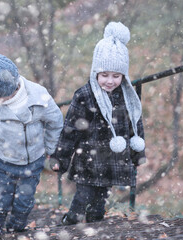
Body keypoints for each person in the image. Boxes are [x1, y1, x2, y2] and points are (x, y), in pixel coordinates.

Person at [50, 22, 146, 225]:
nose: (110, 81)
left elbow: (135, 127)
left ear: (123, 76)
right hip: (88, 159)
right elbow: (70, 130)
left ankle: (95, 227)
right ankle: (70, 224)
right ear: (95, 72)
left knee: (100, 200)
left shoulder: (127, 97)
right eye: (104, 75)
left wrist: (138, 153)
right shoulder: (85, 95)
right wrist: (61, 157)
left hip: (111, 160)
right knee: (83, 197)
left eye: (116, 76)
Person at [0, 54, 63, 236]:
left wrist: (52, 150)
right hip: (3, 160)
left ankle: (16, 226)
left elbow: (55, 122)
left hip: (33, 160)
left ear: (10, 90)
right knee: (1, 200)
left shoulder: (38, 97)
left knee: (25, 201)